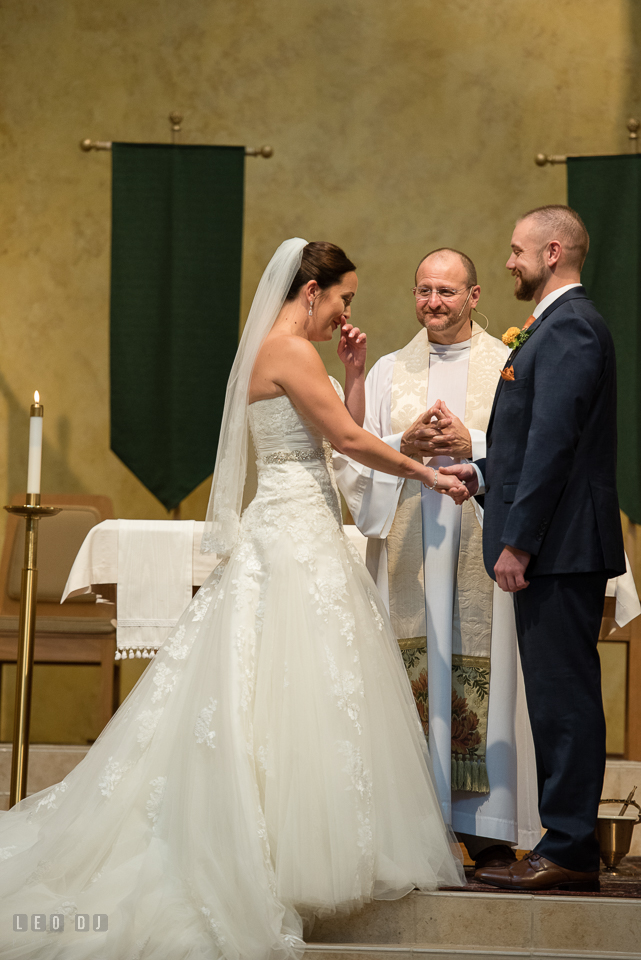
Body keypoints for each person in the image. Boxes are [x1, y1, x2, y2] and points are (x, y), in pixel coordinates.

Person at [0, 239, 466, 958]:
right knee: (292, 691)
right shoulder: (287, 350)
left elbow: (329, 438)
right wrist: (426, 475)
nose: (345, 313)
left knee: (300, 691)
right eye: (342, 298)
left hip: (296, 523)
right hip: (291, 535)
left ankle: (298, 842)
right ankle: (276, 849)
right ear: (309, 291)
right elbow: (344, 439)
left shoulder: (287, 352)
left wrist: (350, 373)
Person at [334, 248, 541, 878]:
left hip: (482, 540)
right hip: (409, 544)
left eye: (447, 292)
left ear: (475, 297)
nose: (433, 302)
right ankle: (413, 822)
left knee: (487, 668)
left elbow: (535, 445)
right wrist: (407, 445)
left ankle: (488, 831)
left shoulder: (509, 366)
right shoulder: (392, 371)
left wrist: (469, 444)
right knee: (412, 667)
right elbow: (352, 457)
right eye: (424, 289)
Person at [443, 206, 626, 891]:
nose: (509, 261)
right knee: (553, 697)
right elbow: (533, 445)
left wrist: (517, 539)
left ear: (552, 252)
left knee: (563, 698)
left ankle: (571, 848)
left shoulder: (570, 326)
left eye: (517, 251)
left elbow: (554, 445)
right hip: (556, 541)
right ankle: (564, 841)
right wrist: (484, 474)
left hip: (558, 546)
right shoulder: (552, 327)